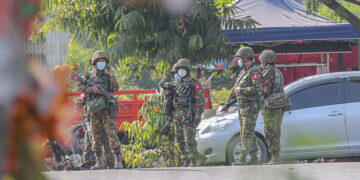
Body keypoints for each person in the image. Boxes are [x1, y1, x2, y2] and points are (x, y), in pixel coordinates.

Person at [77, 50, 123, 170]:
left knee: (112, 135)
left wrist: (112, 77)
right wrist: (93, 90)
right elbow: (79, 87)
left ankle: (118, 160)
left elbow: (115, 89)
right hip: (94, 112)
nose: (101, 63)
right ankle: (99, 162)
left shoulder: (108, 76)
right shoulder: (88, 76)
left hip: (107, 111)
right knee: (95, 138)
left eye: (103, 62)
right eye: (99, 61)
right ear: (94, 63)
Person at [165, 58, 204, 167]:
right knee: (179, 139)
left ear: (187, 70)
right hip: (177, 113)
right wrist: (168, 93)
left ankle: (193, 159)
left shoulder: (194, 83)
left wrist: (198, 113)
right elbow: (169, 98)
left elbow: (199, 99)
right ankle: (185, 159)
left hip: (188, 112)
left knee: (189, 138)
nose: (181, 71)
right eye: (179, 69)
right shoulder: (174, 83)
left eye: (183, 69)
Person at [230, 46, 263, 166]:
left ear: (246, 58)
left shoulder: (254, 71)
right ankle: (254, 156)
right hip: (243, 106)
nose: (238, 61)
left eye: (240, 58)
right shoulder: (244, 71)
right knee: (248, 131)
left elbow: (258, 89)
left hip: (250, 106)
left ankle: (242, 158)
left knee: (246, 132)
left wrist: (241, 90)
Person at [74, 95, 115, 170]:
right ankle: (88, 164)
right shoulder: (88, 92)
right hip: (91, 122)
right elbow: (78, 104)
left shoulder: (104, 91)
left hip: (103, 122)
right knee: (89, 143)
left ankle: (110, 164)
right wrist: (82, 115)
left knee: (106, 144)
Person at [259, 49, 285, 164]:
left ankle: (275, 157)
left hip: (270, 107)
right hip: (279, 106)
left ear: (264, 61)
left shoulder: (268, 72)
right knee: (276, 131)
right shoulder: (278, 72)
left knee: (270, 132)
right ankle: (276, 156)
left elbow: (265, 90)